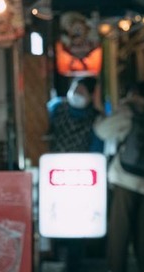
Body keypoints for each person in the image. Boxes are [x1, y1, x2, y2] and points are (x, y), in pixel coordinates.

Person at [94, 81, 144, 272]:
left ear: (133, 93)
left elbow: (101, 131)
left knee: (120, 233)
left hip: (125, 181)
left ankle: (117, 268)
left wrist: (108, 111)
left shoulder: (128, 113)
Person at [46, 76, 103, 271]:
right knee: (54, 215)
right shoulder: (56, 107)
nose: (76, 94)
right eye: (75, 90)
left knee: (77, 219)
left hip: (81, 177)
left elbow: (97, 149)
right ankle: (58, 256)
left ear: (91, 95)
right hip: (54, 174)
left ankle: (74, 262)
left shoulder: (96, 118)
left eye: (81, 91)